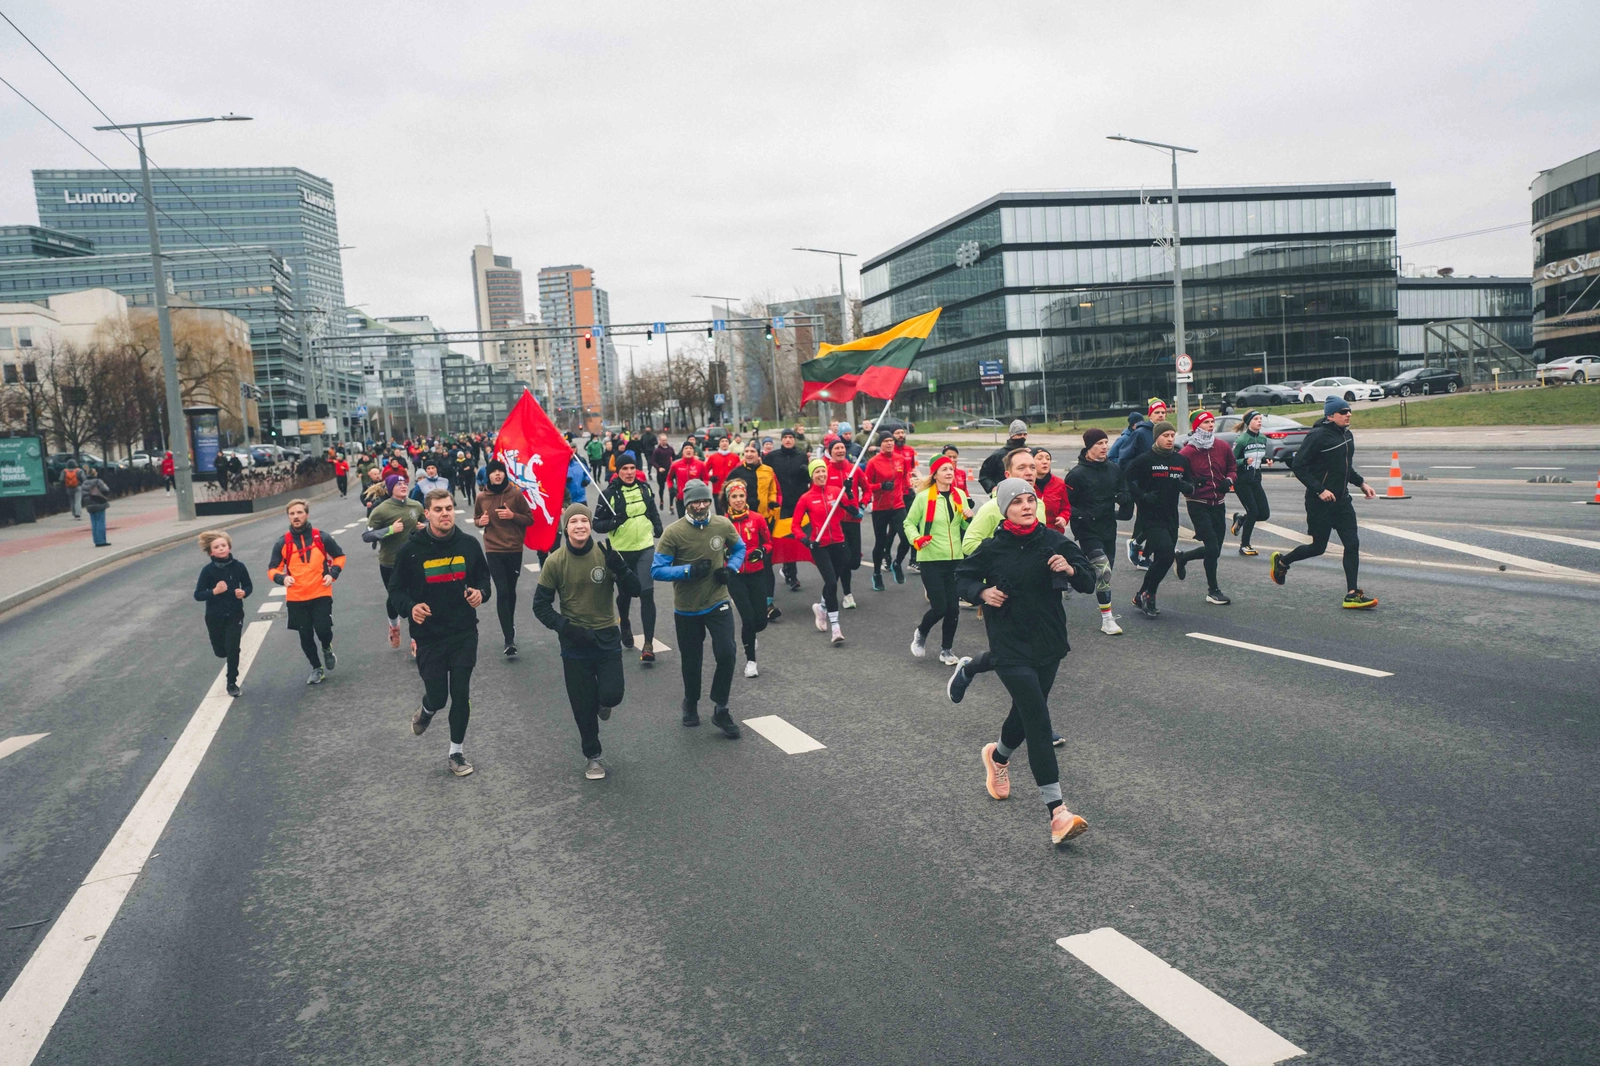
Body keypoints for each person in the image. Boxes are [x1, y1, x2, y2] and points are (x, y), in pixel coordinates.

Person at [956, 478, 1097, 845]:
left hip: (1049, 643)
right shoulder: (992, 548)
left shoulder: (1054, 541)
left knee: (1024, 711)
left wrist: (1070, 569)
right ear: (1004, 509)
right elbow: (963, 578)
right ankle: (1058, 813)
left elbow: (1088, 581)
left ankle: (998, 757)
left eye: (1030, 499)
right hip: (1008, 643)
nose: (1026, 506)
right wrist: (981, 592)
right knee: (1037, 719)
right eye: (1017, 501)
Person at [533, 502, 641, 780]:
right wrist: (565, 628)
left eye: (584, 520)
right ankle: (593, 757)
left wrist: (623, 570)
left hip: (606, 636)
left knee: (611, 695)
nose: (580, 525)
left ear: (590, 524)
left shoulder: (606, 554)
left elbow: (636, 590)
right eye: (573, 521)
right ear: (565, 527)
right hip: (575, 642)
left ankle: (603, 703)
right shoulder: (555, 561)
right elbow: (540, 606)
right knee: (582, 707)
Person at [388, 489, 492, 776]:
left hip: (463, 632)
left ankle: (456, 753)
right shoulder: (410, 551)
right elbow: (395, 591)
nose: (445, 513)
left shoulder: (469, 544)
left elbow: (484, 579)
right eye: (438, 509)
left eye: (449, 508)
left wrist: (480, 593)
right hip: (429, 636)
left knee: (460, 693)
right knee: (438, 696)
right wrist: (411, 607)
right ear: (427, 514)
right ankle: (428, 709)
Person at [652, 479, 744, 738]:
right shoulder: (674, 532)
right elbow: (657, 570)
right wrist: (687, 571)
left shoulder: (722, 524)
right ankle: (690, 702)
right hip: (687, 607)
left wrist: (731, 568)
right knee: (692, 662)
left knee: (727, 653)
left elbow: (739, 548)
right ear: (686, 503)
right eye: (695, 502)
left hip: (718, 600)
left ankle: (721, 708)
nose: (701, 506)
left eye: (705, 501)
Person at [1271, 396, 1379, 608]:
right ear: (1330, 416)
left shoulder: (1347, 435)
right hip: (1319, 502)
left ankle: (1352, 594)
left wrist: (1362, 483)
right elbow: (1299, 466)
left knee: (1352, 544)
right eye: (1343, 411)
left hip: (1342, 501)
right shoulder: (1317, 436)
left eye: (1349, 411)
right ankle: (1283, 561)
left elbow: (1345, 467)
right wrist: (1319, 490)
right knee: (1318, 547)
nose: (1348, 414)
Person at [592, 452, 665, 663]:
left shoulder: (644, 488)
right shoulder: (608, 494)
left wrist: (658, 527)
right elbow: (597, 524)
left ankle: (648, 644)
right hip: (621, 551)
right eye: (625, 468)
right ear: (618, 471)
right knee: (625, 595)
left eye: (632, 468)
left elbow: (651, 510)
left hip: (645, 547)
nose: (629, 472)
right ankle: (624, 621)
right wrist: (615, 522)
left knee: (646, 593)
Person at [268, 499, 346, 683]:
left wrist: (332, 574)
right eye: (292, 514)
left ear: (307, 514)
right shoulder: (283, 543)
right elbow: (272, 569)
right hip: (296, 597)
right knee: (305, 635)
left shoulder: (321, 537)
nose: (296, 516)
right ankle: (316, 668)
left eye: (299, 513)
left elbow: (339, 556)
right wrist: (282, 578)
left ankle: (327, 648)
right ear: (289, 517)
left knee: (323, 629)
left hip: (321, 592)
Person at [903, 454, 971, 665]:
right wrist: (916, 539)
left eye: (951, 469)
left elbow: (964, 529)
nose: (950, 473)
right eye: (944, 470)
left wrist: (969, 519)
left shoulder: (959, 495)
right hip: (931, 558)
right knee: (940, 607)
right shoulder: (923, 498)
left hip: (954, 558)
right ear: (935, 474)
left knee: (953, 609)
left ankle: (946, 650)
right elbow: (909, 523)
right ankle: (921, 633)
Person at [1064, 428, 1132, 635]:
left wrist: (1124, 499)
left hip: (1108, 527)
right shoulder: (1076, 475)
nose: (1104, 447)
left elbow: (1125, 491)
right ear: (1088, 447)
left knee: (1101, 574)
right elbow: (1066, 505)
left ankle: (1073, 576)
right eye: (1099, 444)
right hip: (1086, 530)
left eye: (1105, 442)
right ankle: (1107, 619)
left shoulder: (1114, 469)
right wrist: (1081, 515)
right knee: (1104, 571)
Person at [1123, 421, 1193, 618]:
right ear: (1156, 437)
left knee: (1164, 559)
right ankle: (1150, 594)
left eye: (1172, 435)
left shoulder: (1180, 461)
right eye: (1166, 435)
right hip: (1150, 516)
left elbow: (1190, 482)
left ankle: (1141, 594)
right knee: (1166, 554)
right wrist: (1142, 496)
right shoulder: (1145, 460)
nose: (1170, 439)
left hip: (1171, 516)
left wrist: (1188, 488)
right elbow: (1125, 480)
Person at [1174, 410, 1237, 606]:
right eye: (1206, 422)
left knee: (1215, 550)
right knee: (1211, 547)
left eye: (1212, 421)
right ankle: (1213, 590)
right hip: (1198, 504)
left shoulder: (1222, 446)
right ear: (1197, 427)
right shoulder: (1186, 453)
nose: (1211, 425)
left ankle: (1183, 557)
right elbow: (1179, 479)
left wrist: (1229, 480)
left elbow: (1232, 468)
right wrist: (1192, 484)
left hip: (1218, 504)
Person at [473, 459, 534, 657]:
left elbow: (529, 519)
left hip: (514, 549)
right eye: (493, 472)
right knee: (502, 591)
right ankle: (509, 639)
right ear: (488, 476)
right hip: (493, 549)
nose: (497, 475)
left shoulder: (515, 494)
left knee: (511, 590)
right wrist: (479, 522)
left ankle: (510, 623)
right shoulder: (482, 497)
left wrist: (512, 516)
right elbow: (476, 520)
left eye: (500, 471)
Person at [363, 474, 425, 649]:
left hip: (414, 560)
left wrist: (425, 526)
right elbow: (367, 535)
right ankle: (394, 627)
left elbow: (427, 523)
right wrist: (389, 530)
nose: (403, 486)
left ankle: (417, 638)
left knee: (417, 597)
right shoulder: (381, 510)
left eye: (405, 483)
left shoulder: (416, 505)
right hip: (390, 562)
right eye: (398, 484)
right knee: (394, 598)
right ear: (390, 489)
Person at [792, 458, 849, 645]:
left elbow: (851, 510)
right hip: (819, 545)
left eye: (823, 471)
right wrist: (806, 541)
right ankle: (836, 628)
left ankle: (821, 607)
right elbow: (795, 526)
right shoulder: (806, 498)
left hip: (838, 542)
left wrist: (847, 491)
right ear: (811, 476)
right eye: (817, 472)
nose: (822, 475)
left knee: (833, 582)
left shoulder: (836, 492)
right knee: (831, 582)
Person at [722, 480, 773, 676]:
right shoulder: (723, 522)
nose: (738, 500)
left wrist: (761, 551)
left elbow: (768, 543)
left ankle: (751, 635)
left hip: (757, 574)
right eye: (734, 497)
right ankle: (751, 661)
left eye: (741, 496)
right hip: (735, 576)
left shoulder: (758, 518)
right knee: (748, 619)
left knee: (761, 621)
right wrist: (724, 554)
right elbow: (716, 546)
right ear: (728, 500)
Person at [193, 529, 253, 697]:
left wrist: (244, 593)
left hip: (235, 613)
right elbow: (198, 595)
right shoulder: (208, 571)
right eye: (217, 547)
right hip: (214, 616)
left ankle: (232, 682)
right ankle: (222, 652)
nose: (221, 549)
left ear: (229, 547)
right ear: (211, 551)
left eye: (223, 545)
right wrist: (214, 591)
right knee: (221, 651)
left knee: (233, 648)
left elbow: (248, 585)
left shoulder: (239, 567)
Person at [1116, 399, 1167, 570]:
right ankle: (1139, 549)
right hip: (1142, 485)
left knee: (1154, 519)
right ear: (1150, 414)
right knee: (1149, 519)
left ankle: (1141, 548)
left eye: (1163, 412)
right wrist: (1137, 476)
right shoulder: (1141, 433)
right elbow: (1124, 457)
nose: (1160, 415)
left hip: (1161, 484)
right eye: (1157, 412)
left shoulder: (1166, 433)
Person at [764, 428, 812, 592]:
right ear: (782, 440)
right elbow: (765, 477)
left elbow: (807, 479)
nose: (788, 440)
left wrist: (806, 472)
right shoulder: (772, 457)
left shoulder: (801, 455)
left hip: (798, 503)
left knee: (797, 537)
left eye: (791, 437)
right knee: (784, 539)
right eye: (785, 437)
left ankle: (790, 571)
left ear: (794, 440)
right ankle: (790, 573)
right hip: (780, 504)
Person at [823, 438, 865, 609]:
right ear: (830, 452)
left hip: (854, 519)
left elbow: (867, 488)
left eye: (841, 448)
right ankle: (847, 594)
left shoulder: (853, 469)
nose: (839, 450)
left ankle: (831, 589)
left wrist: (862, 503)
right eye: (836, 448)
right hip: (837, 523)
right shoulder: (825, 471)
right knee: (845, 559)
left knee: (854, 561)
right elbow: (822, 494)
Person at [865, 434, 909, 591]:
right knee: (881, 542)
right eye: (886, 441)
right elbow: (866, 485)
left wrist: (908, 489)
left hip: (898, 505)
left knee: (907, 538)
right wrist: (881, 486)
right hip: (880, 508)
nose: (890, 443)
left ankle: (897, 563)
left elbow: (904, 478)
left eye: (891, 440)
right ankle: (877, 574)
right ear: (880, 444)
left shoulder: (900, 459)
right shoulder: (873, 462)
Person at [1230, 410, 1271, 556]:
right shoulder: (1242, 440)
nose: (1259, 421)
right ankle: (1244, 545)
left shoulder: (1262, 439)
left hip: (1256, 480)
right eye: (1256, 419)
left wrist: (1266, 460)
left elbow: (1259, 456)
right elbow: (1231, 461)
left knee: (1264, 513)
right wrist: (1243, 461)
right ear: (1249, 423)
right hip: (1242, 482)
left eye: (1260, 418)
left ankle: (1240, 520)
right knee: (1253, 512)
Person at [978, 420, 1027, 493]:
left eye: (1025, 434)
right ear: (1012, 435)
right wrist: (993, 488)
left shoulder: (1029, 453)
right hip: (1003, 495)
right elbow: (984, 476)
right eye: (1019, 434)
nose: (1022, 437)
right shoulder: (998, 455)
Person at [1031, 448, 1071, 533]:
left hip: (1054, 533)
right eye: (1040, 458)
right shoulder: (1025, 483)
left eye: (1048, 459)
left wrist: (1063, 518)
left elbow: (1066, 508)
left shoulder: (1059, 483)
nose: (1045, 461)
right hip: (1031, 533)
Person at [668, 441, 709, 519]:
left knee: (697, 520)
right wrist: (671, 488)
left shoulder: (700, 464)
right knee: (683, 521)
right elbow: (669, 479)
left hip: (696, 498)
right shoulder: (676, 465)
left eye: (690, 448)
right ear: (682, 451)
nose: (688, 450)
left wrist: (701, 489)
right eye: (686, 448)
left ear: (693, 451)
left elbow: (706, 479)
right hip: (681, 498)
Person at [705, 436, 741, 503]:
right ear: (719, 444)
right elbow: (704, 471)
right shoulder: (713, 457)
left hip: (732, 489)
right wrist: (710, 478)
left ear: (729, 443)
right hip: (717, 489)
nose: (724, 443)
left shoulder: (735, 457)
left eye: (726, 441)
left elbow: (740, 472)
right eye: (722, 441)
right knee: (719, 512)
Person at [650, 437, 675, 506]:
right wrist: (659, 468)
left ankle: (671, 504)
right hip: (661, 472)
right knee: (661, 488)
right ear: (660, 441)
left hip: (669, 472)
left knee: (671, 489)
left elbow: (675, 458)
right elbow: (652, 461)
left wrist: (674, 466)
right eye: (663, 440)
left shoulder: (670, 449)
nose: (664, 441)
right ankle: (661, 500)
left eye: (665, 440)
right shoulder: (657, 450)